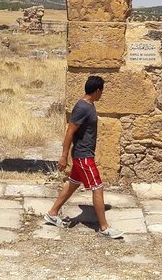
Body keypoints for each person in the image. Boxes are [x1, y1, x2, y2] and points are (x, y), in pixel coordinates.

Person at [43, 75, 124, 239]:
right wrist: (63, 156)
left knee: (72, 184)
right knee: (97, 187)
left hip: (83, 154)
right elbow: (70, 132)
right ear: (97, 90)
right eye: (102, 91)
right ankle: (104, 227)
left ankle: (52, 213)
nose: (102, 94)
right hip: (83, 156)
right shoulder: (82, 107)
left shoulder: (89, 104)